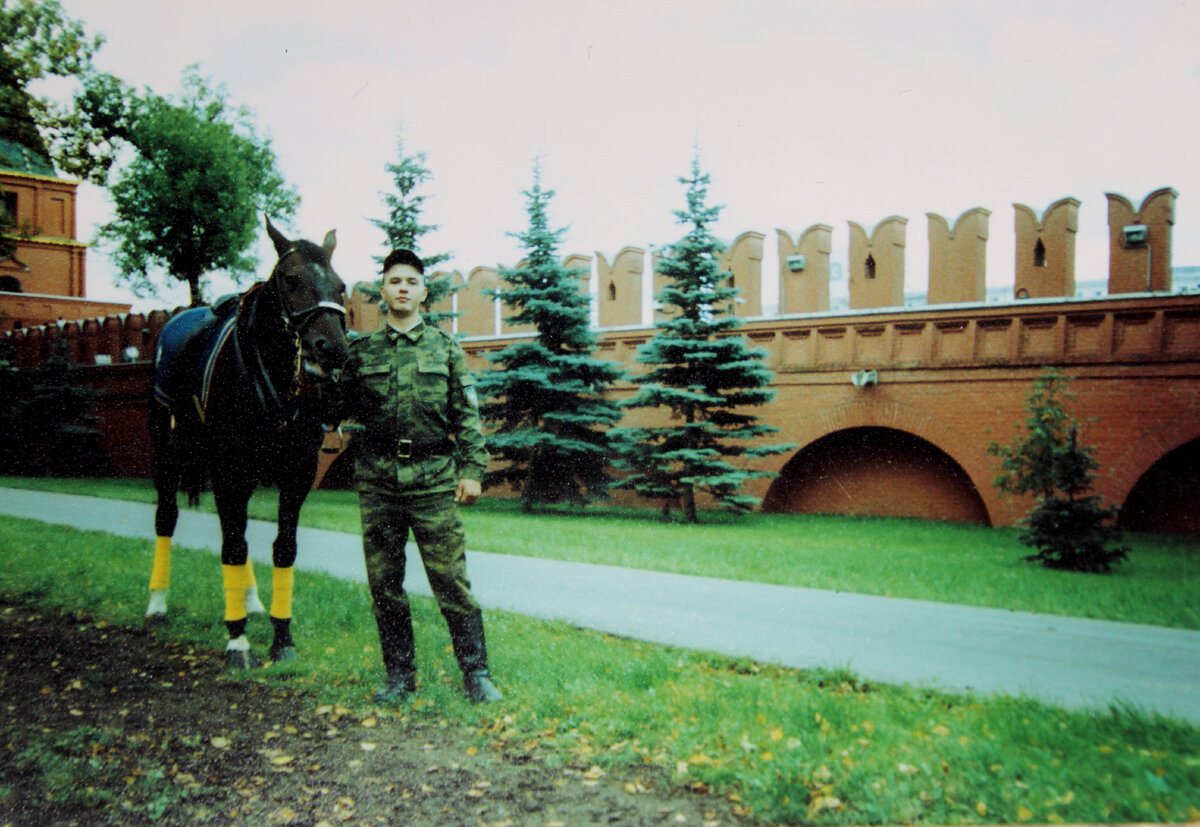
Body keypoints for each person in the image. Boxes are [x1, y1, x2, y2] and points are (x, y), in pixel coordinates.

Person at [335, 249, 502, 704]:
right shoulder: (361, 351)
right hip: (378, 478)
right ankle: (399, 676)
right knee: (384, 581)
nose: (403, 288)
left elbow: (466, 415)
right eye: (395, 281)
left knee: (449, 577)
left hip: (432, 476)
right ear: (383, 291)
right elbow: (340, 406)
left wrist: (471, 470)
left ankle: (477, 674)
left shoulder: (445, 349)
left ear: (423, 292)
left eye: (411, 281)